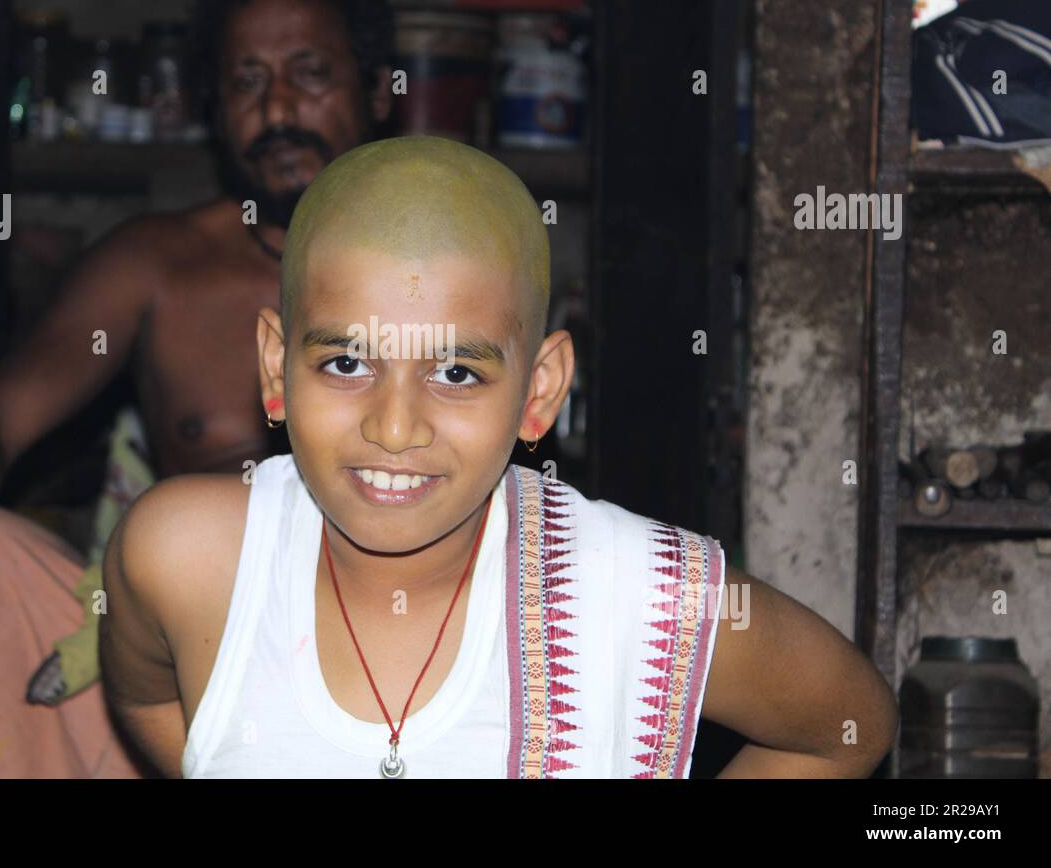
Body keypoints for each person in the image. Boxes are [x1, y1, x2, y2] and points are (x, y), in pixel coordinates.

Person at [101, 135, 901, 778]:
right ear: (277, 368)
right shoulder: (183, 558)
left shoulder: (641, 594)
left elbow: (848, 727)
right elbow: (148, 703)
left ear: (539, 390)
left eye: (456, 374)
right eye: (346, 363)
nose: (395, 427)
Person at [0, 0, 395, 777]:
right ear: (215, 109)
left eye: (311, 73)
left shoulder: (446, 267)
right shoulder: (159, 265)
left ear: (380, 92)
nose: (278, 106)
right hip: (171, 681)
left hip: (382, 670)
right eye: (247, 81)